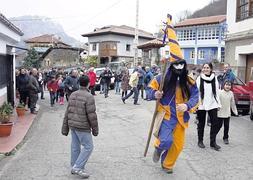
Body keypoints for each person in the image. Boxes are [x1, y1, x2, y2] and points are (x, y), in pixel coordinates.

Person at [149, 59, 199, 174]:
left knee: (178, 146)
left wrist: (187, 105)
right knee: (166, 141)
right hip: (166, 115)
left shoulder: (189, 81)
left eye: (182, 64)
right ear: (172, 65)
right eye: (176, 64)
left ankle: (167, 164)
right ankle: (159, 147)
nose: (179, 66)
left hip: (182, 118)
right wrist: (155, 94)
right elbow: (150, 89)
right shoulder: (161, 78)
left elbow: (196, 97)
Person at [61, 75, 98, 179]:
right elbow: (92, 115)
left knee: (75, 146)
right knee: (88, 147)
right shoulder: (89, 96)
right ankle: (77, 167)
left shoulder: (73, 94)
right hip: (82, 126)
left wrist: (65, 127)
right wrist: (95, 129)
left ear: (78, 83)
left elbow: (67, 111)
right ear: (88, 83)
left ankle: (75, 165)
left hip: (73, 124)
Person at [196, 63, 221, 151]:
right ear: (202, 69)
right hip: (202, 103)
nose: (206, 69)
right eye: (204, 67)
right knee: (201, 123)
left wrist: (218, 104)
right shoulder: (199, 78)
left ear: (211, 69)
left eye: (208, 68)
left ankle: (213, 142)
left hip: (212, 103)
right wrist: (197, 104)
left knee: (215, 123)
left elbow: (217, 92)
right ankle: (200, 141)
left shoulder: (214, 78)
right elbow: (197, 92)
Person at [217, 80, 238, 144]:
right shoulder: (220, 92)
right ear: (224, 85)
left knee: (227, 126)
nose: (228, 86)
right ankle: (213, 135)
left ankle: (225, 138)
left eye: (229, 85)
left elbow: (232, 103)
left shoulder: (231, 93)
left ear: (231, 86)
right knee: (219, 125)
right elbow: (217, 101)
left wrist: (235, 112)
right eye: (226, 85)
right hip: (220, 112)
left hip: (227, 112)